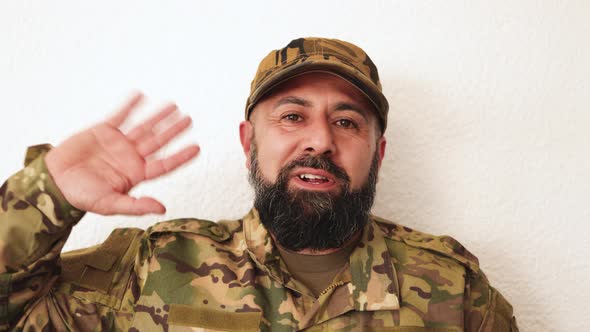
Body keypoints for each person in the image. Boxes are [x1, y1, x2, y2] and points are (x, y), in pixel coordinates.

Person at [0, 37, 518, 331]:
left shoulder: (454, 290)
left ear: (378, 152)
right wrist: (46, 196)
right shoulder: (148, 267)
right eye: (292, 117)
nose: (319, 140)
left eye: (346, 122)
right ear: (249, 141)